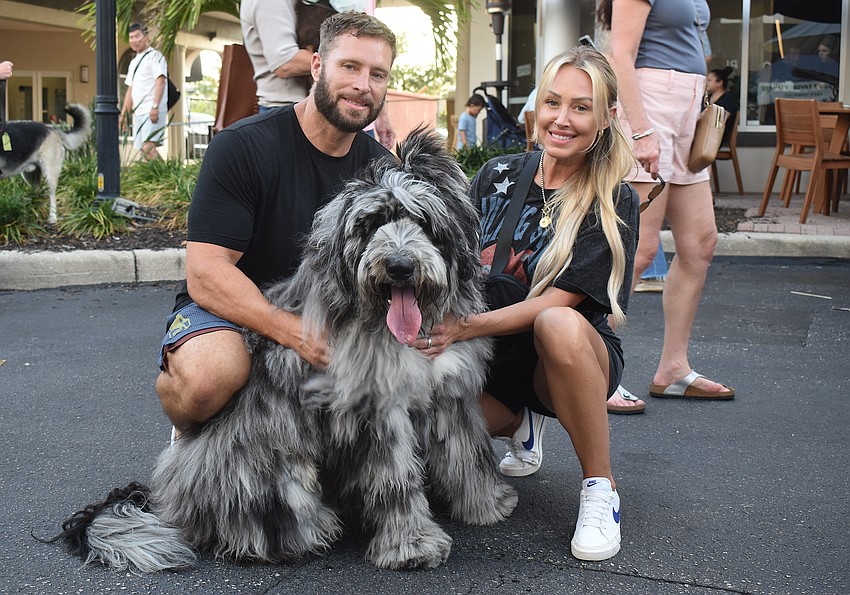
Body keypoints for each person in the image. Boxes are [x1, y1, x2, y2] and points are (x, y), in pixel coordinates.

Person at [426, 46, 639, 561]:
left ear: (607, 117)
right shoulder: (496, 176)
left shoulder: (614, 200)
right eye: (552, 103)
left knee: (557, 323)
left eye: (581, 107)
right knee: (430, 458)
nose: (561, 120)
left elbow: (557, 302)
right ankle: (522, 422)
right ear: (535, 107)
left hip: (564, 356)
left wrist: (461, 328)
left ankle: (599, 489)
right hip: (494, 357)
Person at [156, 12, 397, 435]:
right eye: (350, 67)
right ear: (318, 66)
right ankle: (190, 436)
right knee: (206, 381)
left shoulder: (384, 172)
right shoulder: (243, 146)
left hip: (334, 314)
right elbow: (206, 272)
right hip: (233, 308)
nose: (364, 85)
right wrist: (293, 331)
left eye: (378, 74)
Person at [598, 0, 736, 408]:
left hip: (688, 105)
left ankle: (673, 367)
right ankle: (592, 368)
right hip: (651, 102)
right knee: (635, 248)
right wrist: (640, 131)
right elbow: (619, 53)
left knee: (700, 243)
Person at [240, 0, 396, 149]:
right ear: (317, 65)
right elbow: (285, 61)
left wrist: (381, 115)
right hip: (290, 112)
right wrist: (342, 66)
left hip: (350, 115)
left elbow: (366, 59)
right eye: (348, 66)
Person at [120, 23, 168, 161]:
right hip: (139, 111)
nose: (134, 40)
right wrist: (123, 114)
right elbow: (131, 89)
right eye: (131, 37)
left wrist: (155, 106)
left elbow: (161, 81)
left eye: (137, 36)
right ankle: (163, 178)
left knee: (148, 148)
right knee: (143, 150)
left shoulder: (155, 56)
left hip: (151, 110)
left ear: (146, 37)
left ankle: (166, 177)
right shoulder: (134, 62)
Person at [706, 66, 738, 146]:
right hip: (703, 133)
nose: (706, 83)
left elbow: (720, 120)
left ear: (720, 82)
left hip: (716, 136)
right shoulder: (706, 98)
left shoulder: (728, 99)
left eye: (709, 80)